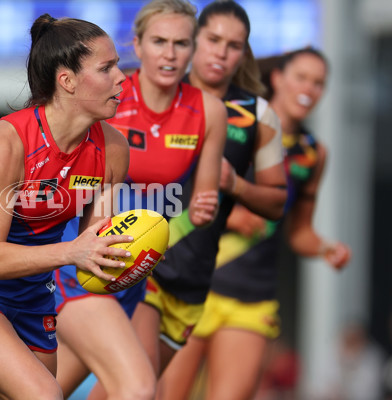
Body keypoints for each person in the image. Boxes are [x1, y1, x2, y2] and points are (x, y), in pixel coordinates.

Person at [0, 13, 133, 400]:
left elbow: (94, 247)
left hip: (33, 299)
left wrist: (130, 254)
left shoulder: (113, 148)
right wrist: (73, 252)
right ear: (66, 80)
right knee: (45, 395)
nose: (122, 78)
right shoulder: (5, 144)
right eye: (107, 67)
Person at [52, 1, 228, 398]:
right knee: (137, 387)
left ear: (194, 48)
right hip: (83, 262)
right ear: (138, 44)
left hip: (138, 271)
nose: (169, 53)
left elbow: (204, 200)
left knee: (49, 389)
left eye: (181, 43)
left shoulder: (209, 111)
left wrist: (202, 208)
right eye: (159, 41)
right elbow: (62, 164)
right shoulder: (108, 96)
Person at [162, 47, 353, 400]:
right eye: (301, 77)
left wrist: (327, 247)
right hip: (196, 281)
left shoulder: (312, 153)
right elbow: (179, 189)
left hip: (252, 298)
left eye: (318, 83)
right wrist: (234, 213)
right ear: (278, 79)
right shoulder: (236, 123)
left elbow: (299, 232)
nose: (309, 89)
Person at [128, 1, 289, 398]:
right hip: (143, 265)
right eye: (213, 39)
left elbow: (276, 202)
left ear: (244, 53)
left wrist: (236, 185)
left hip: (196, 278)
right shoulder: (149, 92)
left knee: (137, 390)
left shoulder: (259, 116)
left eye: (234, 45)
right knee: (139, 386)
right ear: (193, 40)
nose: (221, 52)